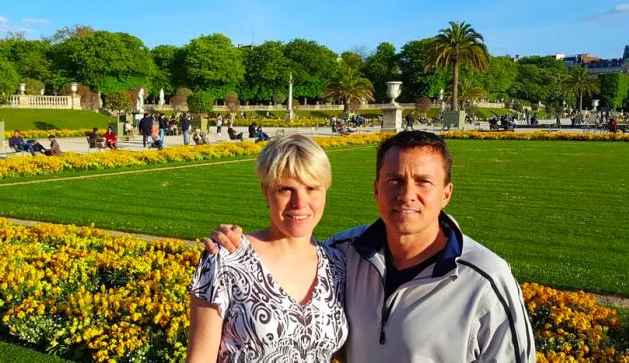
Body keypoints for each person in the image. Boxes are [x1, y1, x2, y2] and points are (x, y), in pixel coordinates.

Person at [207, 130, 535, 362]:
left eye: (424, 182)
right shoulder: (343, 254)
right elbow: (290, 252)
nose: (407, 195)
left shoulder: (485, 279)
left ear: (446, 193)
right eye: (394, 181)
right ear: (376, 189)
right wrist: (236, 245)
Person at [187, 134, 348, 362]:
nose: (299, 202)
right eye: (285, 189)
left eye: (312, 188)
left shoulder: (337, 265)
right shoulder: (226, 259)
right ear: (266, 191)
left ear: (325, 191)